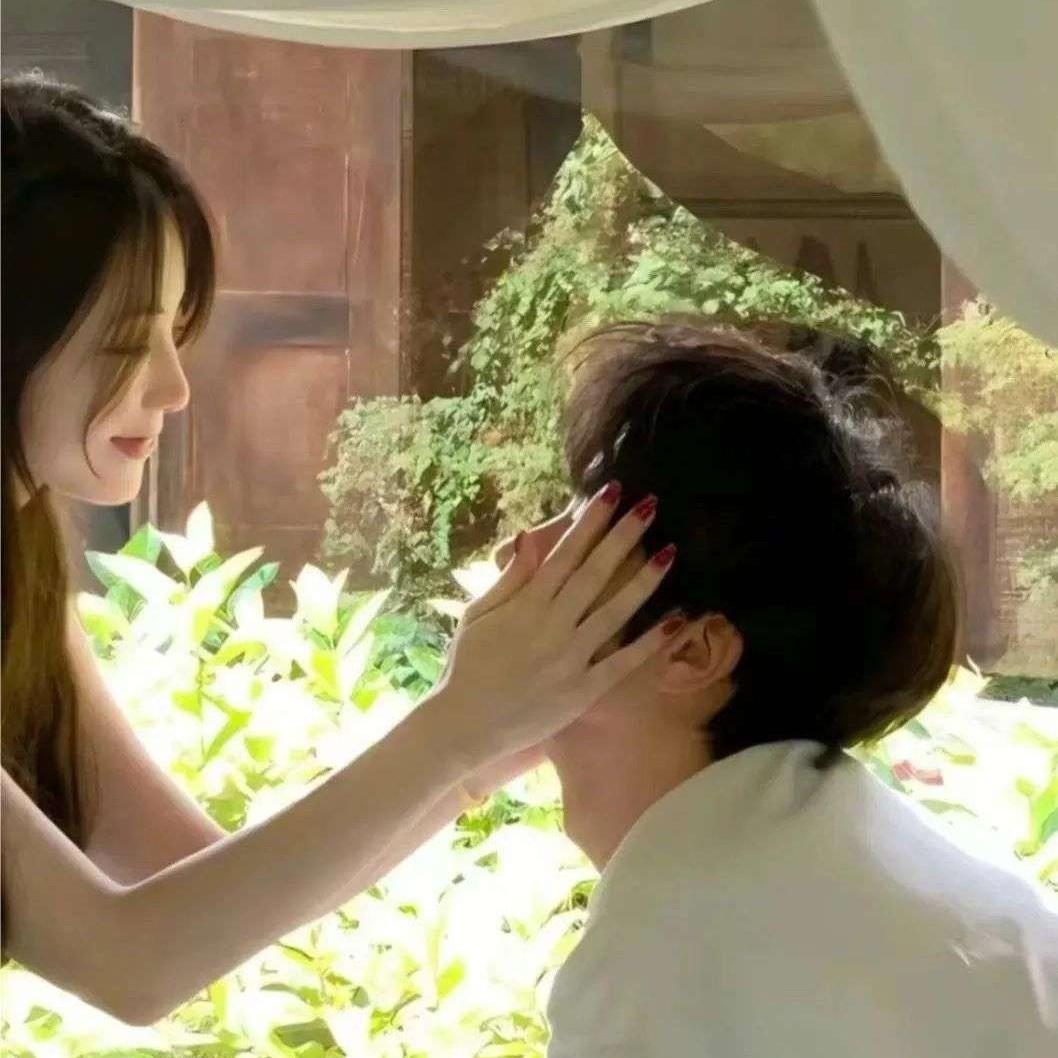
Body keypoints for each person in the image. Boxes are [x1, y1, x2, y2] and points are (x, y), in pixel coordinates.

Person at [0, 75, 688, 1025]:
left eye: (176, 332)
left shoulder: (22, 560)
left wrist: (494, 736)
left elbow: (190, 878)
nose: (172, 388)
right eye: (125, 345)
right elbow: (130, 964)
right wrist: (462, 727)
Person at [496, 321, 1057, 1056]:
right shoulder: (953, 893)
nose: (518, 550)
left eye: (586, 524)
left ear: (692, 650)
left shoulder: (667, 958)